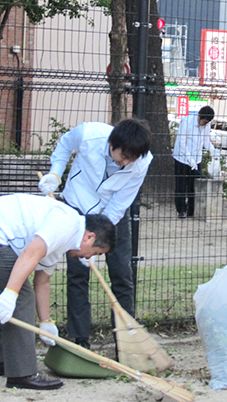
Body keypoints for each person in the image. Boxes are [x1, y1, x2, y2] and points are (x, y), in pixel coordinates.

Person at [0, 193, 116, 390]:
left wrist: (46, 322)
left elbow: (43, 281)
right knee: (20, 296)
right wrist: (12, 293)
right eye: (95, 253)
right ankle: (23, 374)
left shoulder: (64, 239)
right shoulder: (66, 223)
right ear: (90, 237)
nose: (90, 258)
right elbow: (31, 253)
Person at [38, 118, 152, 350]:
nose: (126, 162)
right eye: (123, 155)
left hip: (113, 215)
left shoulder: (142, 162)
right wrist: (55, 174)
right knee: (78, 274)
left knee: (122, 274)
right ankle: (80, 339)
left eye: (132, 159)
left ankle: (126, 341)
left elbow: (120, 203)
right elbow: (63, 146)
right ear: (112, 143)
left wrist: (98, 236)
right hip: (77, 207)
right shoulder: (89, 133)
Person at [173, 106, 216, 218]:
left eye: (207, 123)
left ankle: (191, 211)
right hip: (181, 158)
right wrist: (189, 159)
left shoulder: (206, 125)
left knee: (194, 185)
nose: (204, 125)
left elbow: (205, 140)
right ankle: (181, 210)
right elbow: (182, 144)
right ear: (199, 116)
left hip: (197, 159)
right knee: (181, 185)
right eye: (203, 122)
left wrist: (213, 150)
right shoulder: (186, 122)